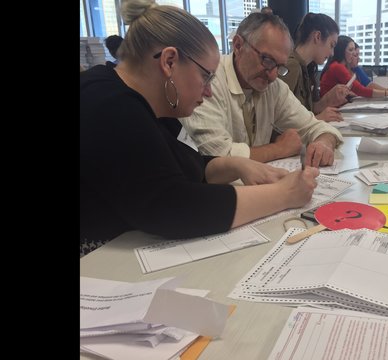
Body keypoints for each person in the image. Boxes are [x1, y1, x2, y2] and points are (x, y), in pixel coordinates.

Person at [80, 0, 319, 256]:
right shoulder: (110, 104)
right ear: (169, 62)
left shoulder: (144, 102)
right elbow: (173, 206)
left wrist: (235, 165)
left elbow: (180, 166)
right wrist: (283, 194)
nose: (207, 91)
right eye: (206, 76)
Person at [180, 13, 343, 166]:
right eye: (267, 60)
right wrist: (279, 149)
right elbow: (216, 157)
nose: (273, 76)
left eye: (280, 67)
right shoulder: (208, 82)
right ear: (238, 45)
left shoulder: (274, 88)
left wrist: (324, 142)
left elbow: (315, 127)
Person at [279, 12, 350, 123]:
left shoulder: (306, 67)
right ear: (317, 37)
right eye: (331, 45)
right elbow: (278, 120)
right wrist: (317, 119)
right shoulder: (292, 66)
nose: (332, 53)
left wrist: (326, 101)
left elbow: (303, 110)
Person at [320, 35, 388, 99]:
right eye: (350, 50)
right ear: (341, 51)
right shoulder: (337, 67)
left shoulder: (339, 66)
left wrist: (387, 91)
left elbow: (361, 88)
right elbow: (360, 90)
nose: (353, 54)